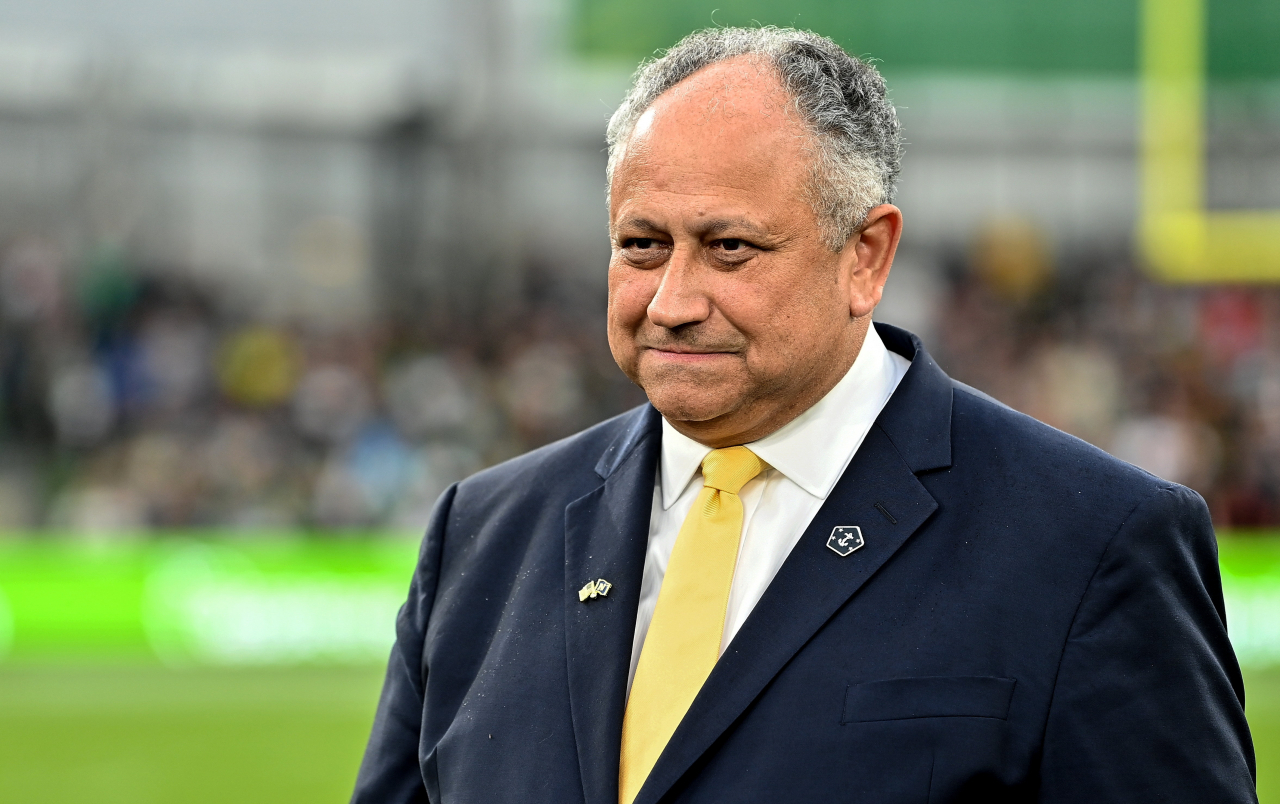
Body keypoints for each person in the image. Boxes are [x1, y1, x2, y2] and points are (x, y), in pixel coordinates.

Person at [352, 27, 1256, 804]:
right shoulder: (483, 535)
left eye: (729, 248)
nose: (670, 299)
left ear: (866, 256)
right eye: (642, 245)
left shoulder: (1092, 544)